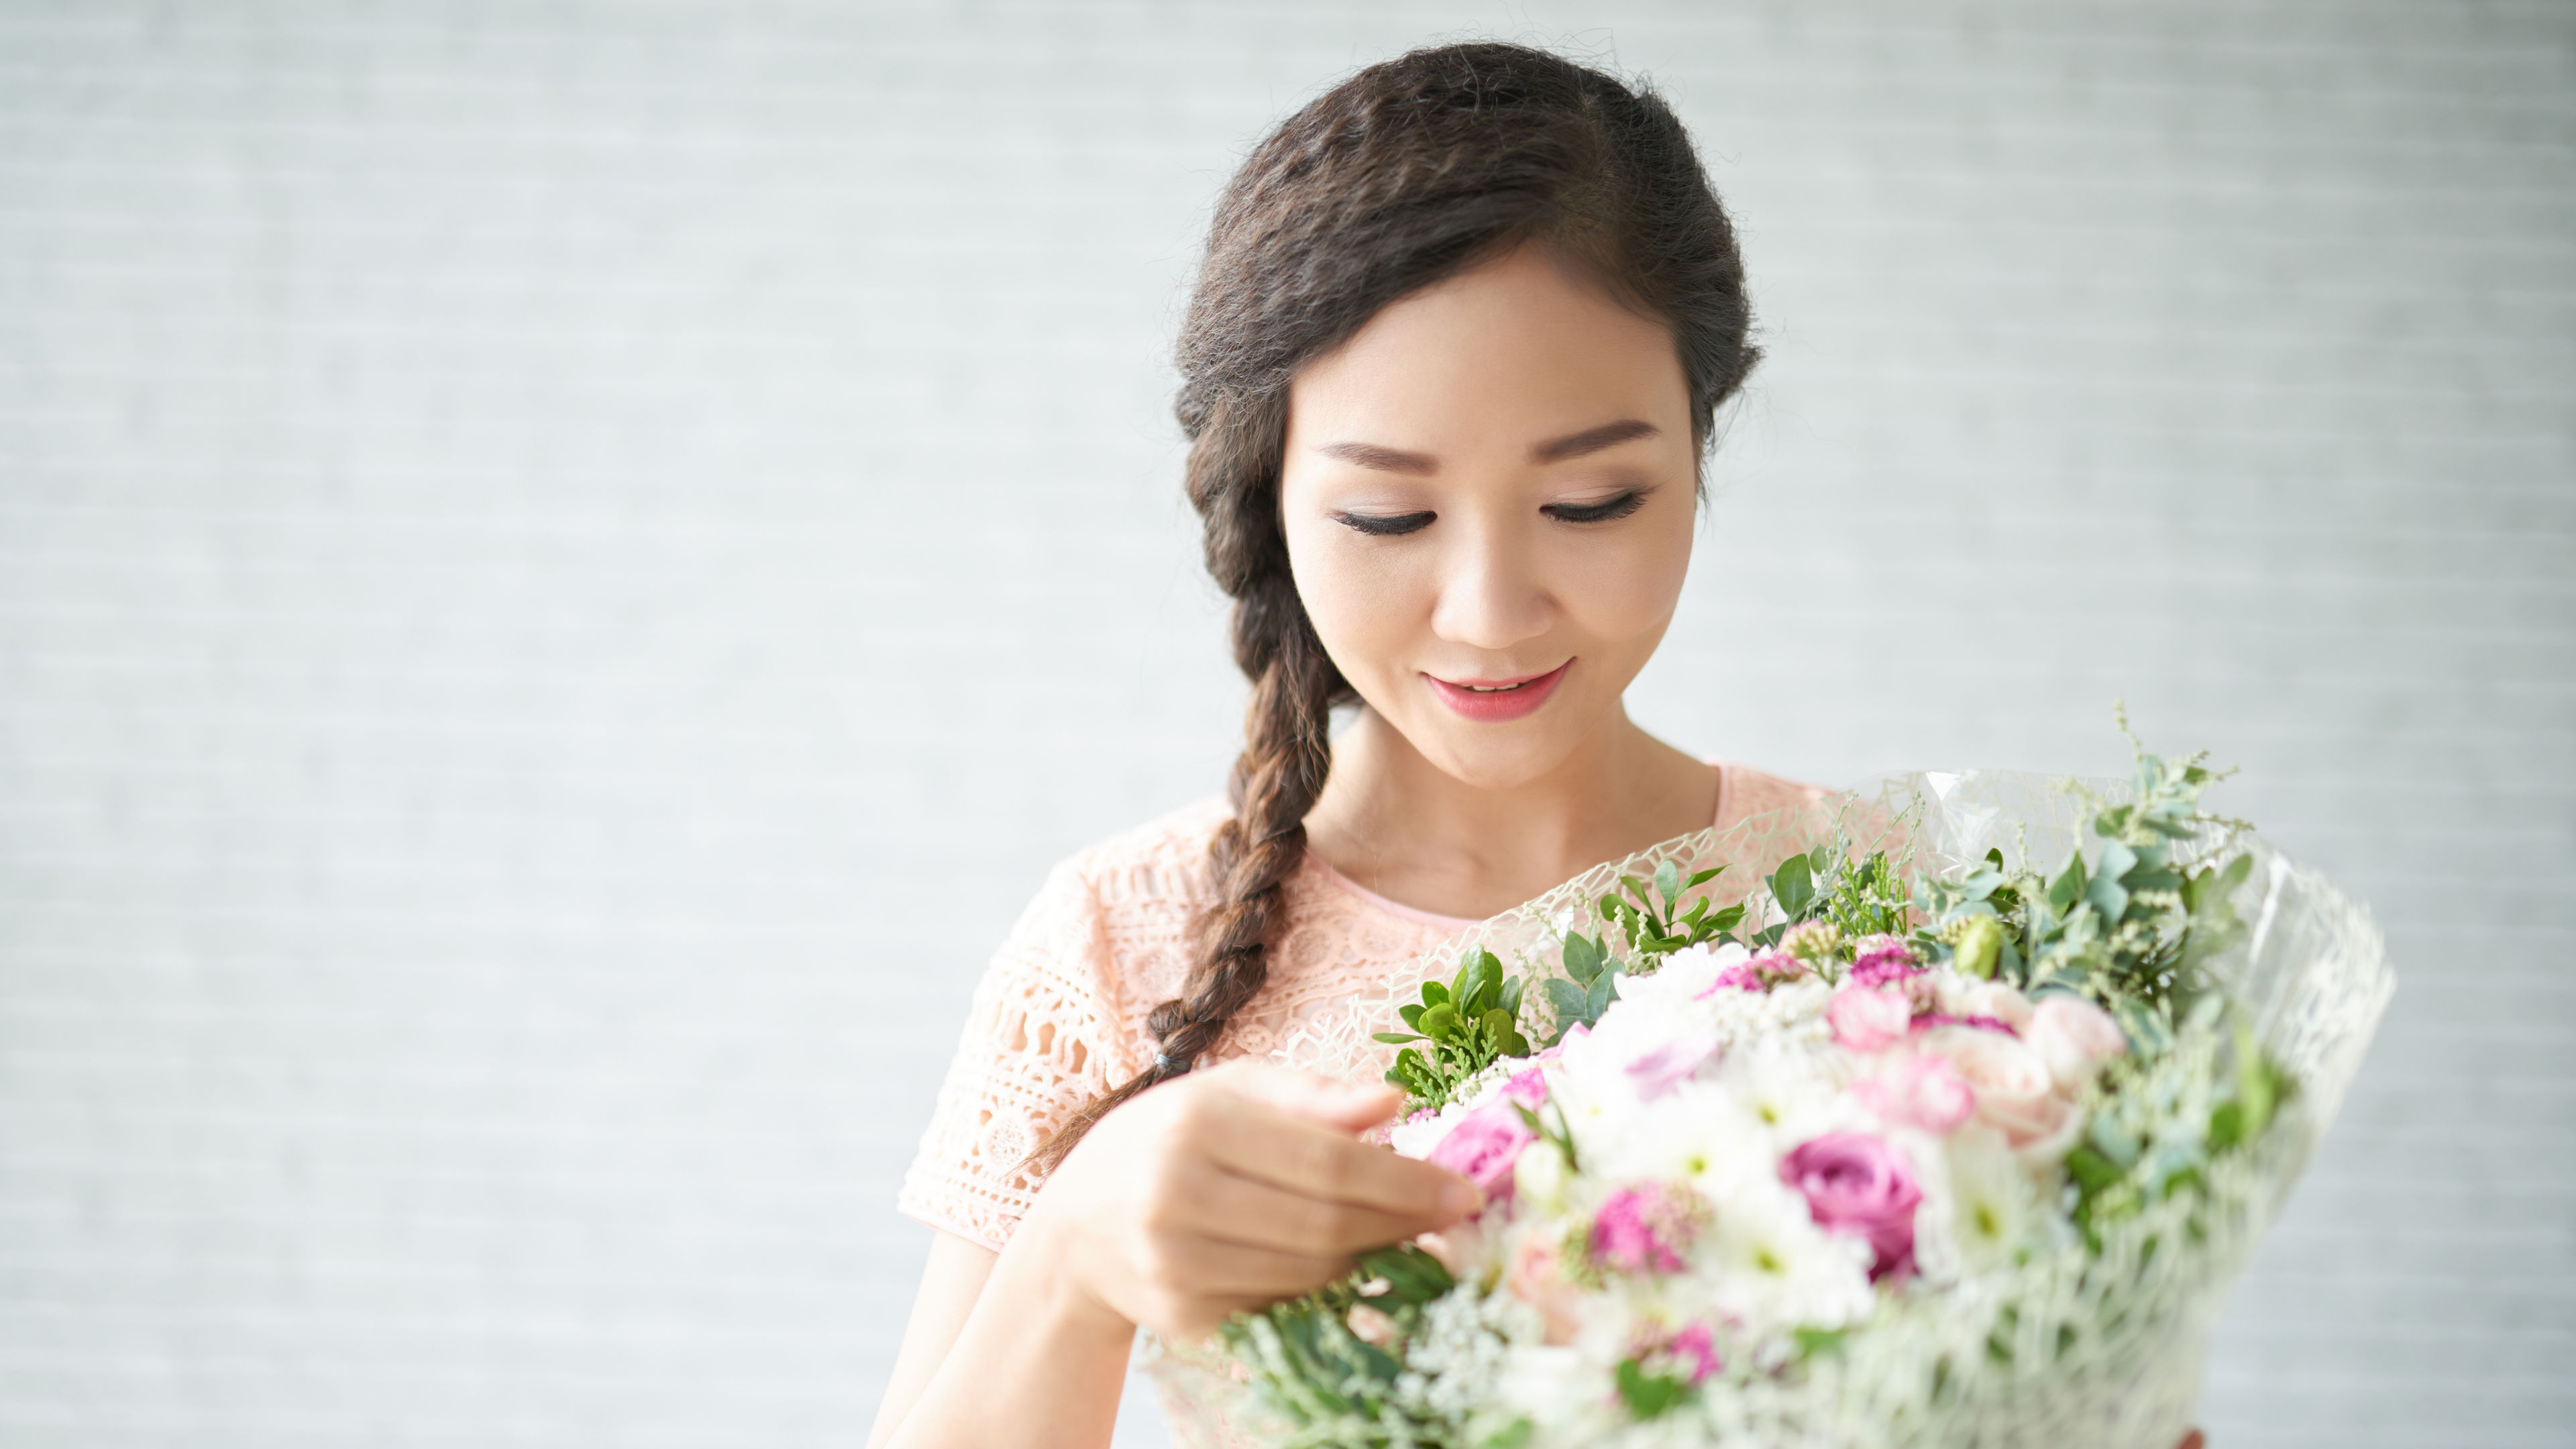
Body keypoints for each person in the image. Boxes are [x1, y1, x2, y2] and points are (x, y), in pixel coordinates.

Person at [867, 42, 2202, 1449]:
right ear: (1269, 497)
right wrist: (1078, 1246)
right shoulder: (1119, 944)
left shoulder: (1878, 911)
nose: (1492, 614)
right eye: (1390, 518)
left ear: (1701, 451)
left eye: (1593, 500)